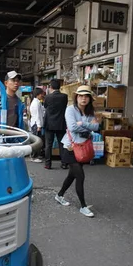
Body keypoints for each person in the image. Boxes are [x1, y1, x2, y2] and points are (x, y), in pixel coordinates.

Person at [55, 85, 99, 218]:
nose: (83, 98)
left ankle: (59, 195)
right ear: (76, 97)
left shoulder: (90, 112)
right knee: (80, 175)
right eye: (81, 96)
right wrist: (87, 127)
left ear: (90, 99)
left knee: (72, 175)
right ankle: (83, 206)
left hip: (83, 147)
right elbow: (72, 127)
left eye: (86, 96)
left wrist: (83, 124)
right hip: (70, 147)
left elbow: (96, 126)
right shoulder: (70, 109)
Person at [43, 79, 68, 170]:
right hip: (60, 123)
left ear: (51, 87)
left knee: (48, 145)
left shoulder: (47, 97)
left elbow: (45, 106)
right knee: (62, 143)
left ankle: (48, 164)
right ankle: (64, 163)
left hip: (49, 123)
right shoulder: (64, 96)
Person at [29, 87, 45, 163]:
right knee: (36, 141)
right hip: (36, 124)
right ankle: (34, 156)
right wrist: (39, 125)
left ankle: (35, 156)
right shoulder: (36, 103)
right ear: (38, 94)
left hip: (35, 123)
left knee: (36, 140)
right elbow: (37, 115)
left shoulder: (36, 102)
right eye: (42, 94)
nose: (42, 95)